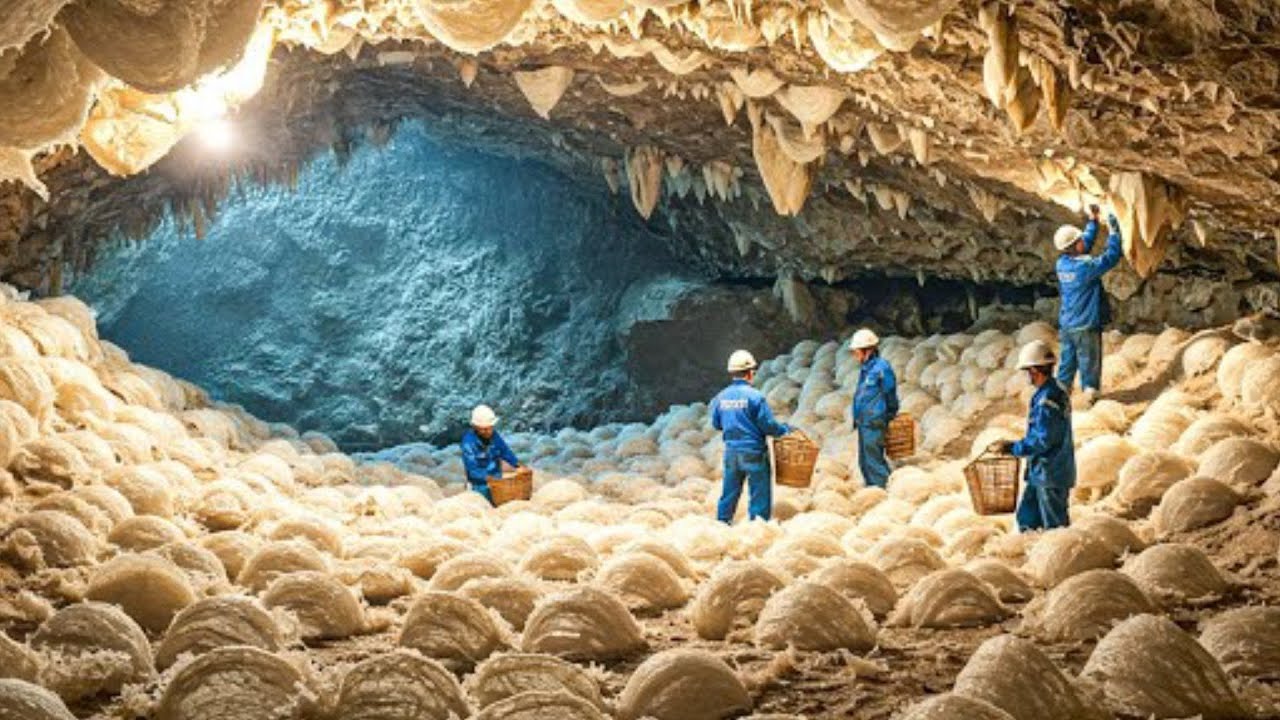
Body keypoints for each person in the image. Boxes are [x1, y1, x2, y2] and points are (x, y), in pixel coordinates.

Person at [990, 340, 1076, 531]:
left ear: (1035, 370)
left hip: (1050, 473)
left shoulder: (1047, 400)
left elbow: (1043, 439)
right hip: (1041, 471)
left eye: (1028, 371)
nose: (1028, 376)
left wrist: (1013, 448)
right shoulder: (1052, 391)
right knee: (1027, 518)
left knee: (1054, 526)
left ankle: (1057, 549)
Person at [710, 349, 791, 523]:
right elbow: (767, 425)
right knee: (759, 493)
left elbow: (716, 424)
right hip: (754, 452)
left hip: (731, 452)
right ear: (750, 373)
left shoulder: (721, 397)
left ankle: (722, 524)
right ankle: (757, 528)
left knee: (729, 492)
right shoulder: (755, 397)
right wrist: (784, 431)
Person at [1054, 204, 1124, 406]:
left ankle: (1059, 397)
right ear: (1075, 246)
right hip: (1085, 324)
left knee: (1067, 363)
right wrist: (1114, 233)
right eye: (1079, 241)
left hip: (1068, 324)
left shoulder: (1062, 263)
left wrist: (1093, 221)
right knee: (1089, 362)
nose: (1083, 242)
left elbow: (1085, 243)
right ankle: (1090, 396)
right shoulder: (1084, 268)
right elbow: (1110, 258)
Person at [850, 328, 899, 489]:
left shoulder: (882, 368)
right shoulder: (866, 369)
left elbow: (890, 393)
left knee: (874, 460)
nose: (854, 355)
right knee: (864, 461)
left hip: (874, 421)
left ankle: (884, 489)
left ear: (868, 350)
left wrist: (890, 414)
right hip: (864, 421)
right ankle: (872, 489)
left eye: (856, 352)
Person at [460, 404, 520, 505]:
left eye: (490, 428)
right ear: (475, 427)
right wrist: (489, 478)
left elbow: (505, 451)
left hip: (496, 481)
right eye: (484, 429)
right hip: (478, 486)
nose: (488, 432)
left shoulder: (494, 436)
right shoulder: (468, 443)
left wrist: (517, 464)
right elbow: (472, 470)